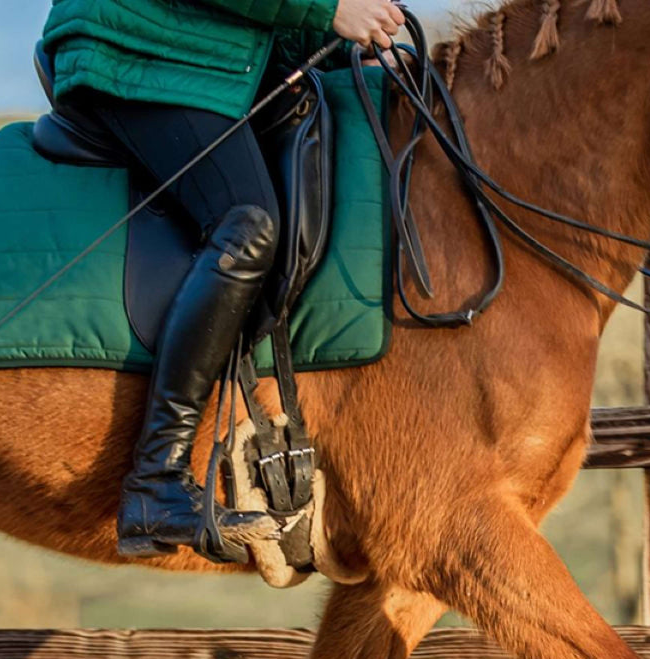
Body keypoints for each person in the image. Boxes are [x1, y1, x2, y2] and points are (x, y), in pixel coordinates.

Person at [40, 0, 405, 559]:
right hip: (136, 50)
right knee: (247, 222)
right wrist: (327, 8)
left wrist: (334, 44)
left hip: (202, 57)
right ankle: (154, 479)